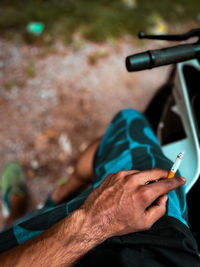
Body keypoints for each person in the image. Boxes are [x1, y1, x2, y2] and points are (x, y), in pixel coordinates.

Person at [0, 109, 199, 266]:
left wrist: (97, 221)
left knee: (129, 121)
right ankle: (53, 201)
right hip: (173, 250)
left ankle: (22, 215)